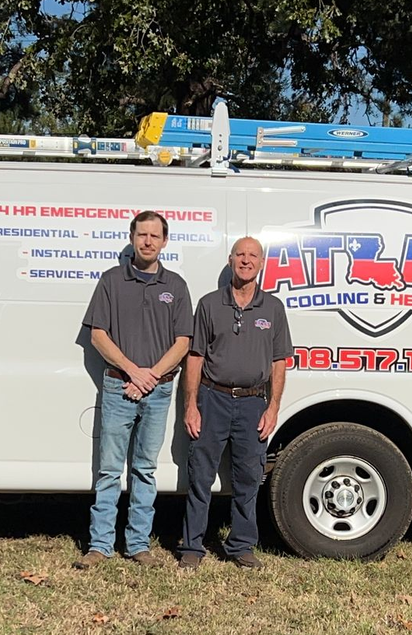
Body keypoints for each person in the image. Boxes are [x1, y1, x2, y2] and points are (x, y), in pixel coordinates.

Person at [74, 211, 193, 569]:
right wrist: (132, 371)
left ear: (165, 241)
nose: (148, 241)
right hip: (117, 385)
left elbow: (183, 342)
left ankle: (139, 544)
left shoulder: (176, 286)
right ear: (132, 237)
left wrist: (151, 376)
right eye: (142, 234)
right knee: (110, 470)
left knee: (144, 469)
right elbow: (97, 335)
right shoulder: (111, 281)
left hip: (158, 391)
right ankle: (99, 546)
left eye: (155, 236)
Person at [178, 236, 292, 570]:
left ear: (261, 263)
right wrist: (191, 405)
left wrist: (272, 408)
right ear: (230, 261)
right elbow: (195, 358)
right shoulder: (210, 304)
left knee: (247, 478)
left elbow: (279, 362)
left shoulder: (272, 308)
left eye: (252, 255)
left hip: (253, 403)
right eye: (240, 254)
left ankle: (241, 545)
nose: (246, 260)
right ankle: (192, 547)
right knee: (200, 475)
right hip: (212, 400)